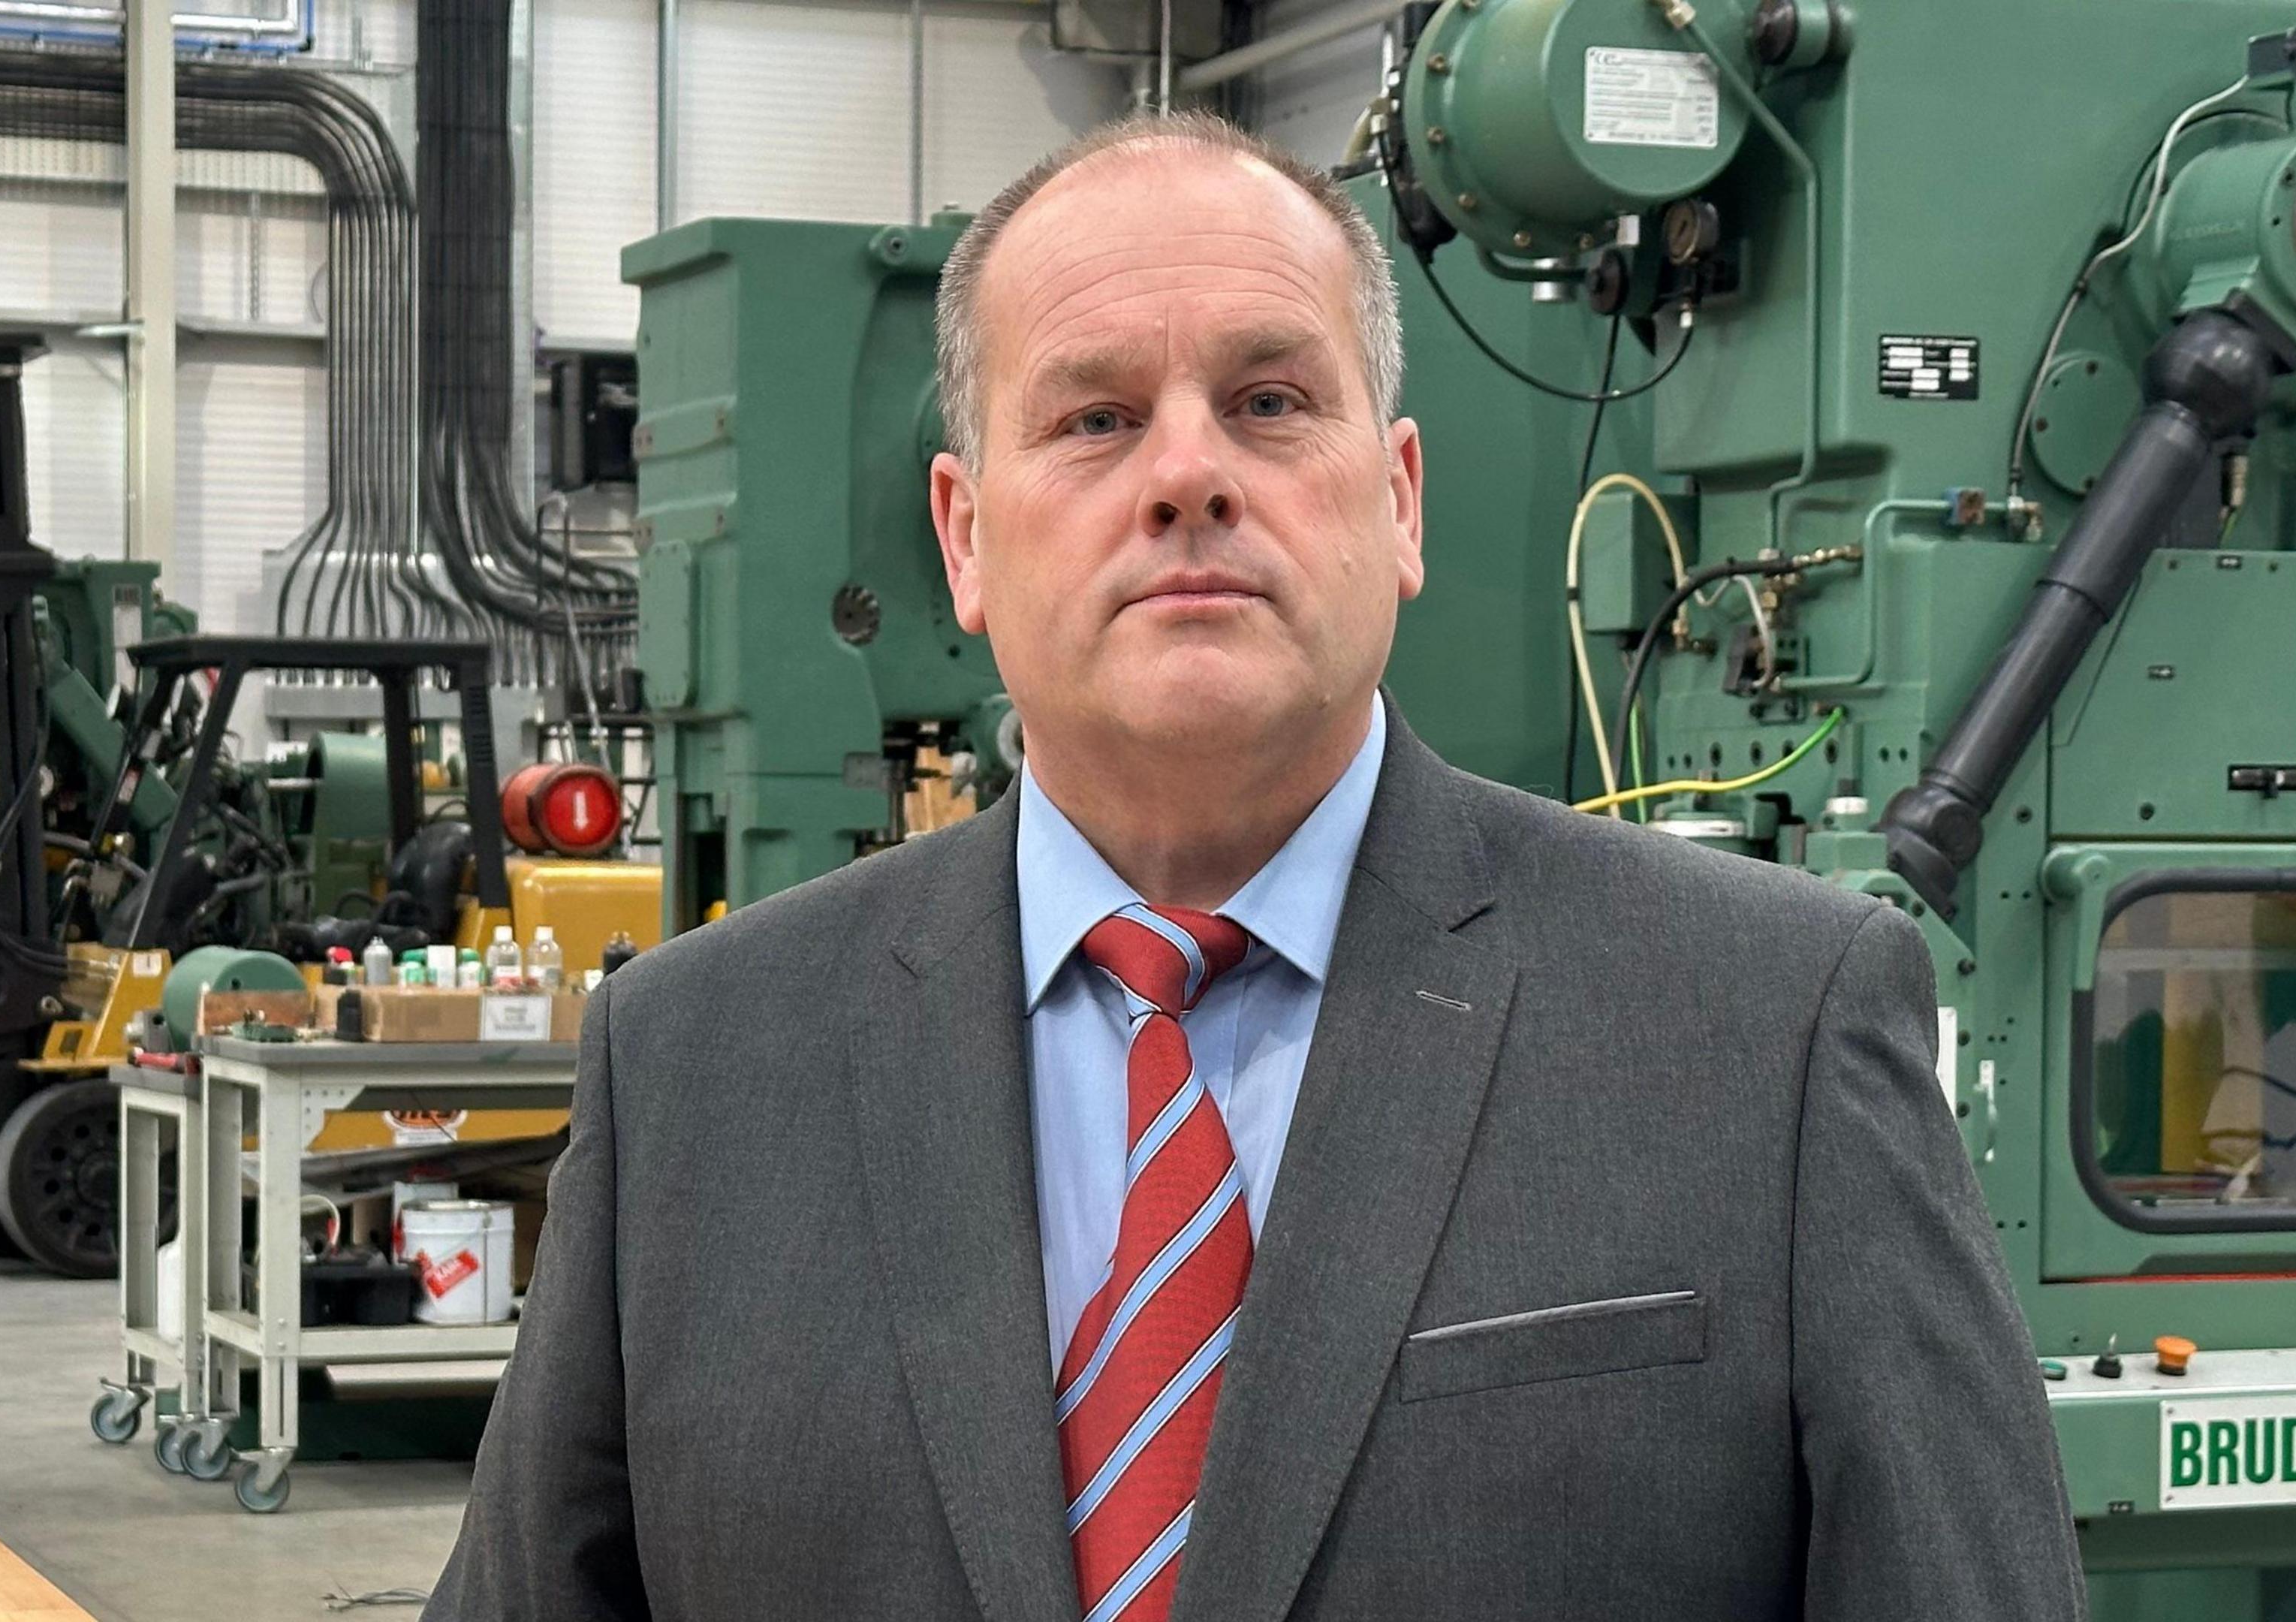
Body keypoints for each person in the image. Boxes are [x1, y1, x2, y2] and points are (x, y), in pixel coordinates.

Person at [425, 110, 2084, 1622]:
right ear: (963, 538)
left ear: (1403, 500)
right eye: (1092, 416)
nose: (1189, 472)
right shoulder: (696, 1066)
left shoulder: (1771, 1029)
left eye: (1272, 402)